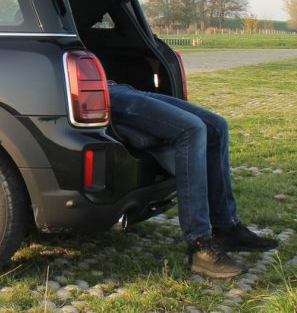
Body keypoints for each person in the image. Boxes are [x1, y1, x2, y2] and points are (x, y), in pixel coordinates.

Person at [107, 82, 278, 278]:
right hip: (100, 93)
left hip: (121, 87)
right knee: (192, 129)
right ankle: (200, 245)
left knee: (216, 126)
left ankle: (226, 228)